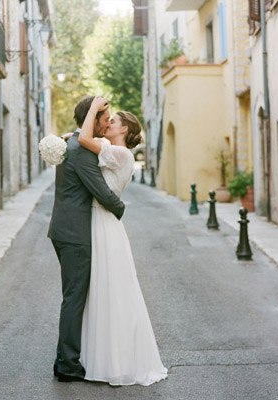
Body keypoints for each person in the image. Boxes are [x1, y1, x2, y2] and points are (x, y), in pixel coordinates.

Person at [77, 96, 168, 386]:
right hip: (100, 221)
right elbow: (83, 138)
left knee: (112, 290)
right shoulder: (112, 149)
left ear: (124, 130)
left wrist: (92, 108)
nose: (108, 122)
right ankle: (106, 357)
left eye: (113, 120)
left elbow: (83, 139)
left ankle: (117, 362)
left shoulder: (121, 154)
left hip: (104, 222)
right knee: (103, 289)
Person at [47, 96, 125, 382]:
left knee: (73, 296)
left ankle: (63, 360)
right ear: (92, 118)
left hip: (65, 230)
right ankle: (67, 365)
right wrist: (120, 208)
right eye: (105, 118)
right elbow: (101, 191)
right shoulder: (80, 151)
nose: (108, 123)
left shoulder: (75, 143)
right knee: (74, 298)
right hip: (75, 233)